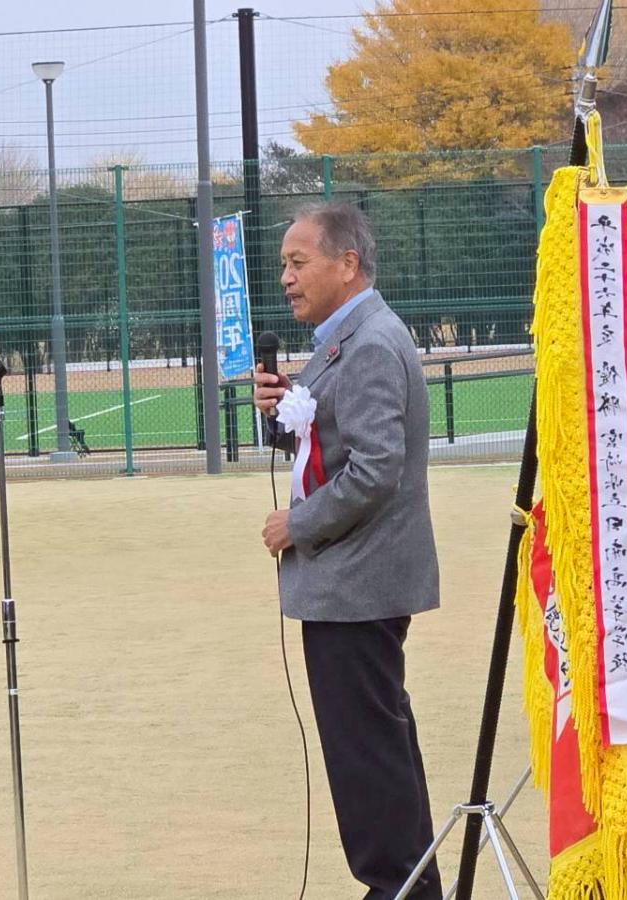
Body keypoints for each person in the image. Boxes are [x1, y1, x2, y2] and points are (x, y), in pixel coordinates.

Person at [253, 202, 442, 899]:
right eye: (284, 265)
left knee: (367, 750)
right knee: (374, 742)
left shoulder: (367, 344)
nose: (287, 278)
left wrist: (296, 527)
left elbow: (374, 468)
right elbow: (325, 448)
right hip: (352, 581)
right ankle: (406, 882)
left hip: (359, 583)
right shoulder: (346, 337)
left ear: (347, 265)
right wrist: (278, 414)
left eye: (299, 262)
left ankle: (400, 886)